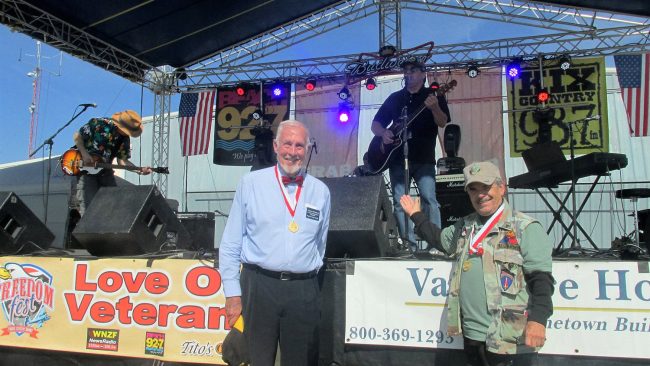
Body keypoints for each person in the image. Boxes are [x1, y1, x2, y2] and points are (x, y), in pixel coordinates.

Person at [400, 160, 554, 366]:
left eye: (486, 187)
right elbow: (439, 239)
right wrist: (416, 215)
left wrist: (538, 320)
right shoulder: (465, 226)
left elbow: (541, 280)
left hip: (508, 339)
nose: (480, 194)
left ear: (501, 188)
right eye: (473, 189)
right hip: (472, 337)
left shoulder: (525, 228)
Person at [219, 120, 331, 366]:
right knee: (258, 360)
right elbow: (230, 243)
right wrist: (232, 293)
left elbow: (319, 245)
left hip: (303, 290)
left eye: (300, 145)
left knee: (301, 361)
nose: (293, 151)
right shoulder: (251, 184)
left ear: (308, 148)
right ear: (276, 145)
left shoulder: (321, 192)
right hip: (259, 286)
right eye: (287, 144)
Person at [371, 57, 451, 250]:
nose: (408, 74)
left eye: (413, 70)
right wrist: (384, 133)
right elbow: (376, 124)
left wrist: (434, 107)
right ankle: (409, 245)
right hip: (397, 159)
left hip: (424, 158)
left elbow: (442, 122)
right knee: (400, 202)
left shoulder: (434, 96)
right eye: (406, 71)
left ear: (423, 74)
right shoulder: (395, 98)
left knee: (429, 199)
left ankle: (436, 244)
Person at [72, 110, 152, 216]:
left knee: (114, 205)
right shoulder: (98, 123)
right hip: (86, 171)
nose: (128, 134)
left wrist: (139, 170)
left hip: (105, 171)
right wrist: (84, 153)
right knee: (88, 209)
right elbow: (77, 136)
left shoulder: (124, 139)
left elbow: (122, 161)